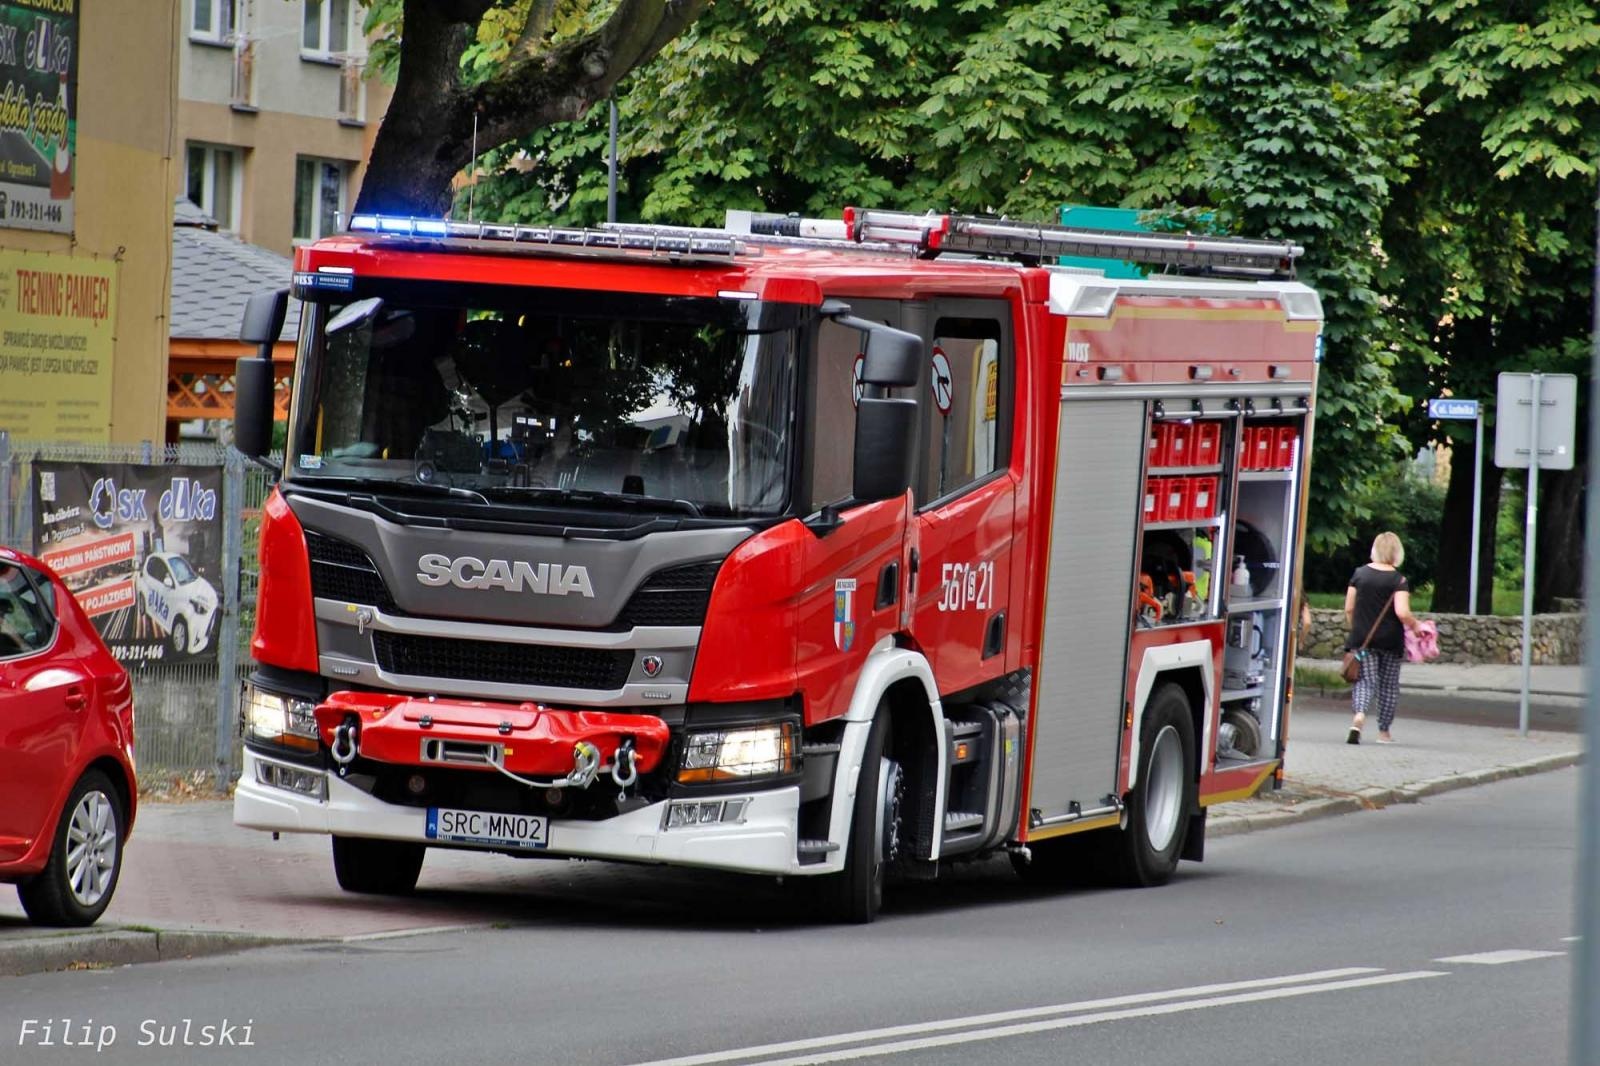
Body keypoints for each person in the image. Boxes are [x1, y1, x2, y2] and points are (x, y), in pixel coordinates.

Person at [1344, 531, 1421, 744]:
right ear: (1398, 553)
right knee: (1388, 686)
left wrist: (1356, 629)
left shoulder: (1359, 574)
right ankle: (1384, 733)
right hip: (1390, 640)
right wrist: (1415, 625)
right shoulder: (1399, 580)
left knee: (1364, 681)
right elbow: (1402, 612)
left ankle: (1359, 715)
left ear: (1375, 550)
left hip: (1363, 638)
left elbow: (1349, 607)